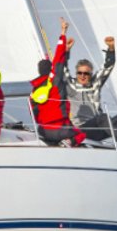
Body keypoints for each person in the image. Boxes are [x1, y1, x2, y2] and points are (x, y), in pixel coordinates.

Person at [61, 36, 117, 151]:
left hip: (100, 128)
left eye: (86, 73)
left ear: (90, 75)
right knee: (102, 117)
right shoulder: (70, 85)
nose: (82, 76)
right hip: (80, 130)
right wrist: (66, 51)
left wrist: (111, 49)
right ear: (76, 73)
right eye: (80, 73)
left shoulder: (94, 84)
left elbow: (107, 67)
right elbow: (62, 68)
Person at [30, 18, 86, 147]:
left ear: (39, 71)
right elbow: (58, 58)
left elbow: (33, 112)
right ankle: (68, 142)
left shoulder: (34, 91)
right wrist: (63, 33)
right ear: (50, 69)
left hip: (43, 131)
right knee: (81, 134)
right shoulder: (53, 80)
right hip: (60, 130)